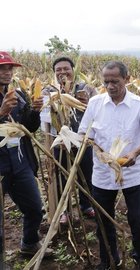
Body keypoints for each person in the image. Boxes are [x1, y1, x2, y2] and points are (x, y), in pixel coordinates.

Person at [78, 61, 140, 270]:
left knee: (137, 219)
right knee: (103, 219)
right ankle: (109, 259)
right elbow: (84, 132)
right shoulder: (95, 104)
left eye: (115, 81)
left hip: (132, 172)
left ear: (127, 80)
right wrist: (92, 146)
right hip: (102, 173)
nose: (110, 86)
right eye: (106, 82)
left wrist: (135, 152)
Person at [0, 51, 52, 257]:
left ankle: (29, 243)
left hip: (20, 162)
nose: (7, 72)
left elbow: (29, 127)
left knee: (34, 208)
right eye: (2, 68)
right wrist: (1, 112)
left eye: (9, 68)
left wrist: (35, 111)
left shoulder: (19, 95)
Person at [40, 56, 98, 224]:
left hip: (83, 139)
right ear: (54, 73)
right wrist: (57, 105)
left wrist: (86, 104)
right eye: (58, 70)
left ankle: (87, 205)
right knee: (60, 177)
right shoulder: (48, 91)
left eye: (66, 68)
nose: (62, 72)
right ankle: (63, 210)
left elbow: (98, 111)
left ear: (74, 70)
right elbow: (44, 119)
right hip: (59, 141)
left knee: (87, 174)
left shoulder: (87, 89)